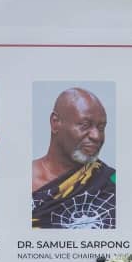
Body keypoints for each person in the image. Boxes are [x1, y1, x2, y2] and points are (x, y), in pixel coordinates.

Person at [31, 87, 116, 229]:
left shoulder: (112, 182)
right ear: (55, 123)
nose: (96, 136)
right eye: (85, 125)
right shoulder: (16, 180)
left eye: (101, 128)